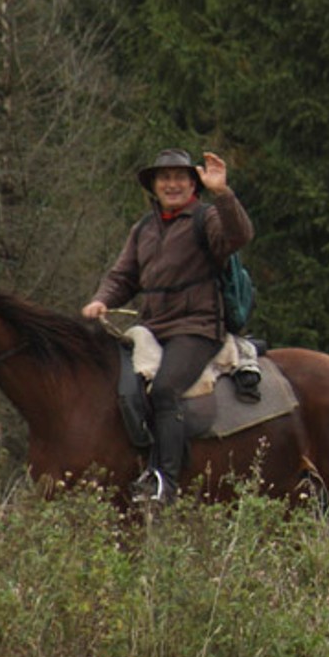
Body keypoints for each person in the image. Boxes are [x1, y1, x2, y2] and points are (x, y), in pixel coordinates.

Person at [83, 149, 254, 504]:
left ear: (193, 184)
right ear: (154, 186)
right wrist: (102, 300)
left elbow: (239, 236)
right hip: (153, 328)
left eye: (180, 177)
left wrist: (223, 194)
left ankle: (165, 481)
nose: (171, 184)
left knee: (164, 391)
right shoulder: (143, 228)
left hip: (197, 328)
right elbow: (123, 276)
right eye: (164, 178)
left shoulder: (206, 218)